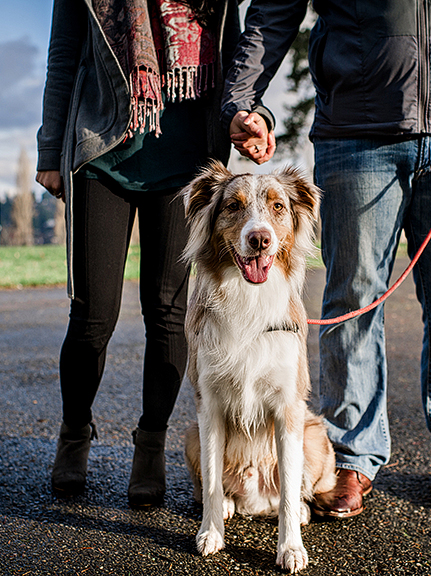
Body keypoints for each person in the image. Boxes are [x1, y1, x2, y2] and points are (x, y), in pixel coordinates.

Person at [222, 0, 431, 515]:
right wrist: (242, 101)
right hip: (357, 133)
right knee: (354, 301)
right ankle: (352, 458)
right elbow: (274, 11)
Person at [35, 0, 273, 505]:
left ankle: (151, 444)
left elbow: (237, 56)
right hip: (102, 154)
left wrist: (248, 117)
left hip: (187, 164)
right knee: (93, 315)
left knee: (168, 313)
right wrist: (49, 147)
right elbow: (63, 58)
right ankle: (74, 433)